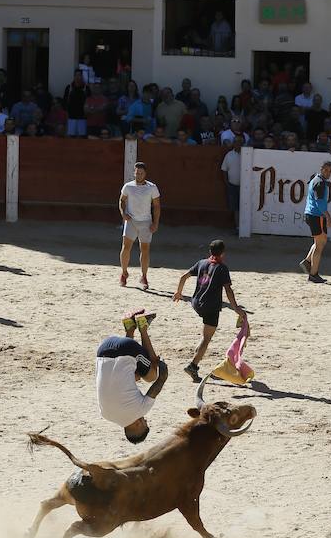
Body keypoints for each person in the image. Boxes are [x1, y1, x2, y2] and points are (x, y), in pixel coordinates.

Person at [173, 238, 245, 383]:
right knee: (206, 338)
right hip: (210, 307)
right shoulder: (222, 268)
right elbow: (228, 290)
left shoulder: (202, 263)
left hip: (197, 303)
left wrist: (178, 293)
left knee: (205, 335)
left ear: (209, 251)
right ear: (223, 253)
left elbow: (183, 277)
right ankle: (193, 365)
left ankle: (195, 361)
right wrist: (236, 308)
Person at [95, 315, 168, 443]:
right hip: (103, 349)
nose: (145, 420)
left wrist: (161, 368)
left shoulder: (140, 410)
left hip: (126, 348)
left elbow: (158, 384)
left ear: (139, 426)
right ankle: (129, 327)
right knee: (134, 376)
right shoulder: (105, 415)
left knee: (151, 376)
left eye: (145, 423)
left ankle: (143, 327)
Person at [119, 161, 161, 289]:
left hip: (146, 222)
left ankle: (144, 276)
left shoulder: (152, 187)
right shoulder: (128, 186)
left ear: (145, 174)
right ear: (134, 173)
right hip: (131, 220)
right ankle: (124, 273)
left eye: (141, 173)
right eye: (137, 173)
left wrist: (155, 223)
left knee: (145, 250)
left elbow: (156, 206)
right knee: (126, 247)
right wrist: (123, 213)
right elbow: (122, 200)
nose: (138, 175)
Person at [300, 160, 331, 284]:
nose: (328, 173)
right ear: (321, 169)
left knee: (320, 241)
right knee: (320, 245)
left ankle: (308, 262)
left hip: (312, 215)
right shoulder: (320, 183)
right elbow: (320, 203)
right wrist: (328, 216)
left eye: (330, 171)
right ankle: (313, 274)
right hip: (316, 216)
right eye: (326, 170)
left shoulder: (316, 179)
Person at [221, 135, 243, 231]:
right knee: (235, 207)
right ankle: (238, 227)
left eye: (240, 141)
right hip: (232, 185)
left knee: (244, 207)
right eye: (236, 141)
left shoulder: (247, 154)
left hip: (245, 186)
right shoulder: (229, 155)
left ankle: (244, 227)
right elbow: (224, 170)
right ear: (233, 143)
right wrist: (227, 183)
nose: (237, 143)